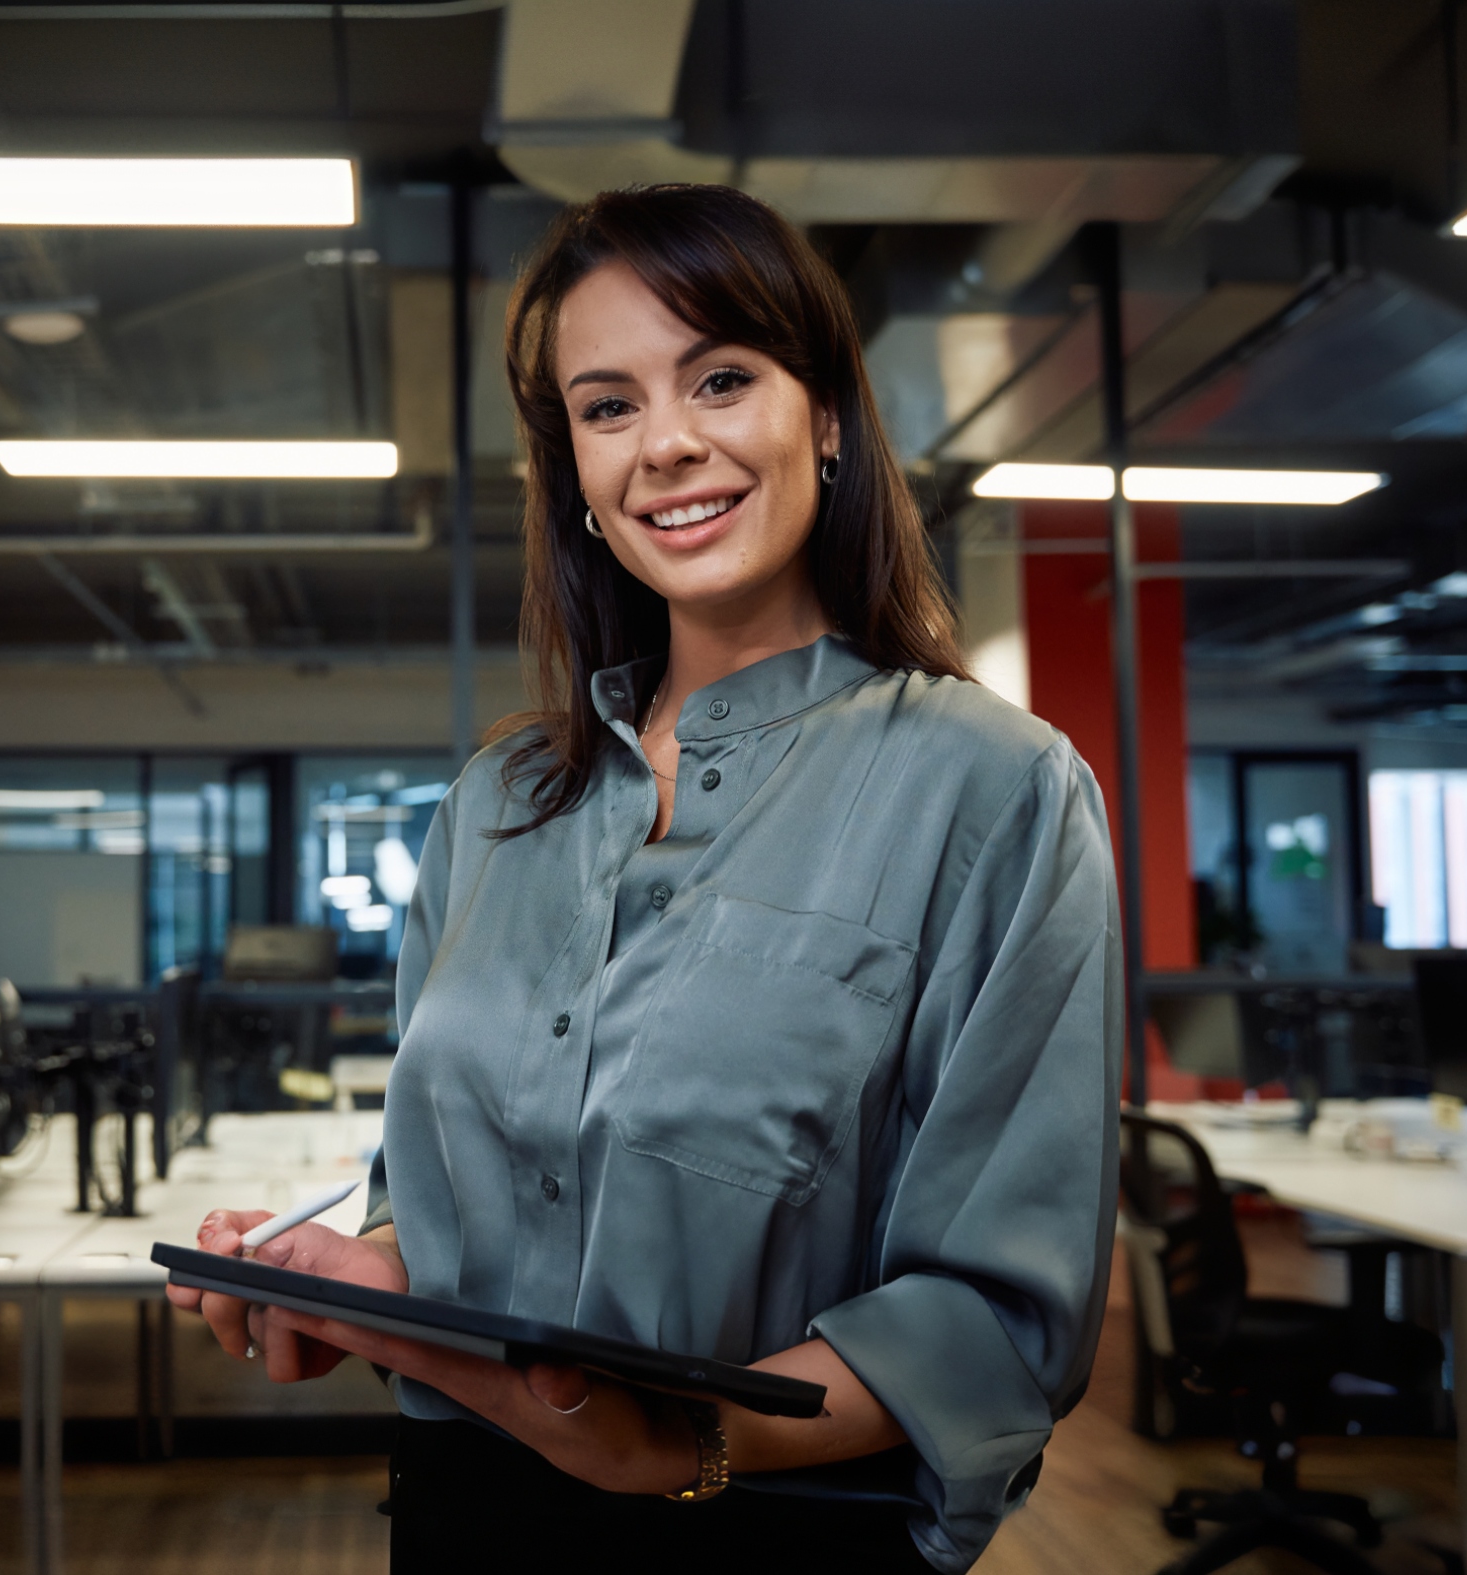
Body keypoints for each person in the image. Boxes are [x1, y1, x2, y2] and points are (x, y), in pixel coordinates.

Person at [167, 183, 1121, 1573]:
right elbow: (422, 1187)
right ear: (573, 470)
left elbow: (1002, 1322)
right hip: (457, 1511)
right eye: (607, 407)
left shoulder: (996, 792)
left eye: (721, 379)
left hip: (762, 1534)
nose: (667, 443)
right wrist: (370, 1277)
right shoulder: (496, 806)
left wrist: (684, 1442)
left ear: (830, 416)